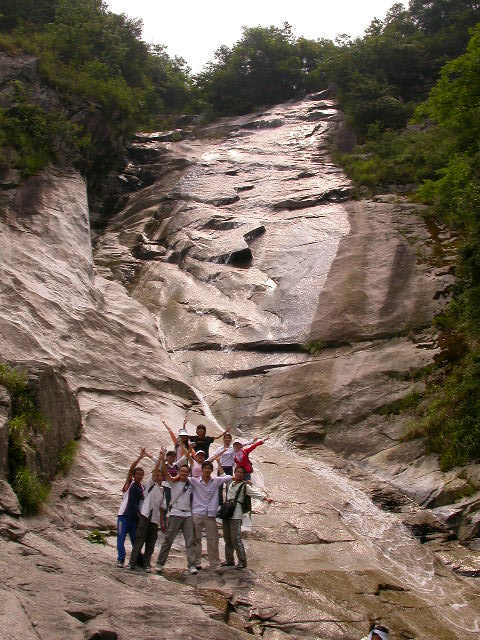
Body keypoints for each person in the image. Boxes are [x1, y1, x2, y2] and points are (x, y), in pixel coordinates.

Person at [221, 465, 273, 569]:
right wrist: (218, 463)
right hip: (226, 513)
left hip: (236, 514)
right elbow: (223, 475)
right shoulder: (230, 483)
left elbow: (255, 493)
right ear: (234, 472)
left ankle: (242, 561)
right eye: (238, 472)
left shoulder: (245, 486)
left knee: (236, 539)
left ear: (244, 475)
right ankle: (229, 560)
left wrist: (265, 498)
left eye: (242, 473)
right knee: (227, 538)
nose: (239, 474)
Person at [189, 457, 232, 573]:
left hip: (210, 514)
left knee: (213, 539)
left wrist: (240, 479)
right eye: (205, 468)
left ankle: (215, 563)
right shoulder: (195, 481)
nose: (207, 470)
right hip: (198, 512)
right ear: (202, 470)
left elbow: (228, 477)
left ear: (211, 470)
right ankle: (196, 562)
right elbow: (182, 477)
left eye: (209, 468)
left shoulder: (216, 480)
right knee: (196, 538)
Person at [127, 451, 166, 572]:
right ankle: (132, 563)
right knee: (139, 540)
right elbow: (155, 471)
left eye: (160, 476)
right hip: (145, 515)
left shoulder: (162, 491)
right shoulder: (149, 485)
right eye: (157, 476)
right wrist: (160, 458)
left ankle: (146, 564)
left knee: (151, 542)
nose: (158, 477)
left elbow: (161, 508)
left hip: (155, 518)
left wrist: (162, 522)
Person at [156, 463, 198, 575]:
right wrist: (162, 458)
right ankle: (160, 563)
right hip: (175, 513)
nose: (184, 473)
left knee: (190, 540)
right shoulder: (173, 482)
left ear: (188, 473)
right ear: (179, 472)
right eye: (182, 471)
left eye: (186, 472)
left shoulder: (191, 484)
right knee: (168, 539)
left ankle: (192, 564)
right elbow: (165, 473)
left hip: (187, 514)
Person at [116, 448, 149, 567]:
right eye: (137, 474)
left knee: (136, 540)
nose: (139, 476)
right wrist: (140, 457)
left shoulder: (142, 487)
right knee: (121, 538)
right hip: (124, 515)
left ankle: (138, 559)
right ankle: (121, 558)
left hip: (135, 517)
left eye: (141, 475)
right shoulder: (130, 483)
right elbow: (131, 469)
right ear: (134, 475)